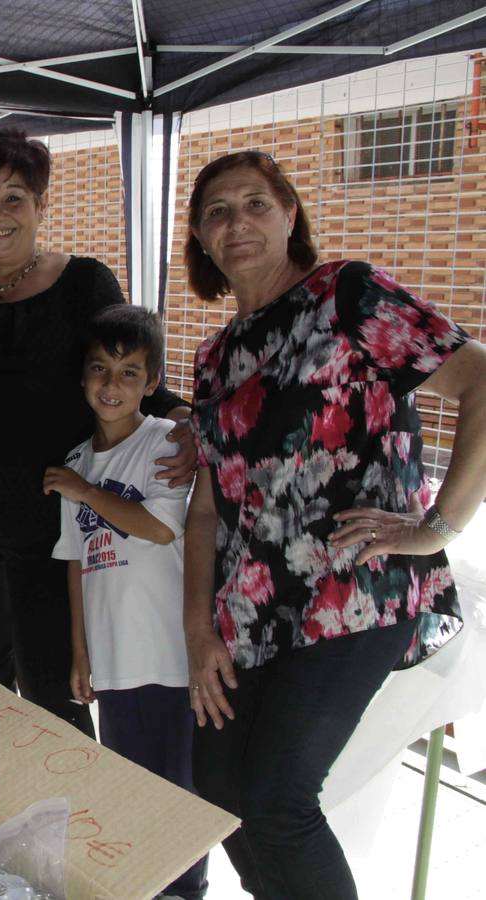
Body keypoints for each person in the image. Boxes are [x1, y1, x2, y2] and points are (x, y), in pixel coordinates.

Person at [182, 150, 486, 899]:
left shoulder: (347, 294)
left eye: (256, 203)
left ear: (291, 215)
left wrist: (436, 529)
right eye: (217, 212)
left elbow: (481, 379)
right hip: (251, 610)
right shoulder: (215, 357)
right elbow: (210, 506)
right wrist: (197, 628)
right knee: (219, 794)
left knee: (274, 800)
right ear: (201, 239)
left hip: (353, 593)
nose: (237, 222)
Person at [0, 129, 192, 736]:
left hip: (48, 529)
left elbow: (129, 367)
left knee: (53, 690)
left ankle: (71, 796)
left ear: (41, 205)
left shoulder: (83, 284)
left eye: (14, 197)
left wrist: (185, 420)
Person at [46, 305, 206, 900]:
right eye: (100, 369)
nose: (111, 385)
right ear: (83, 376)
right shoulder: (77, 461)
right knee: (131, 791)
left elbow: (161, 528)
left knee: (179, 795)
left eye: (129, 372)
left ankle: (186, 890)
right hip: (113, 662)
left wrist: (85, 491)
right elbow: (76, 560)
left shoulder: (167, 441)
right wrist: (80, 652)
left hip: (170, 658)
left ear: (152, 382)